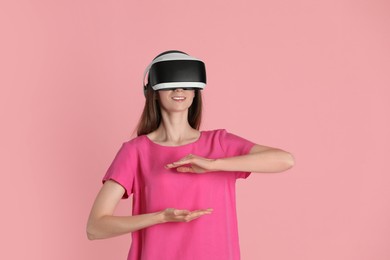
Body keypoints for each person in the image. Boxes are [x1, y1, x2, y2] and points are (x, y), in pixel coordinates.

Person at [86, 50, 295, 260]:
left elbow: (285, 160)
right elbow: (95, 227)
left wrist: (213, 165)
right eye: (170, 84)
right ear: (153, 90)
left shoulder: (220, 143)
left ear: (195, 92)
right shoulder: (136, 152)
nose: (179, 89)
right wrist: (160, 217)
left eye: (187, 84)